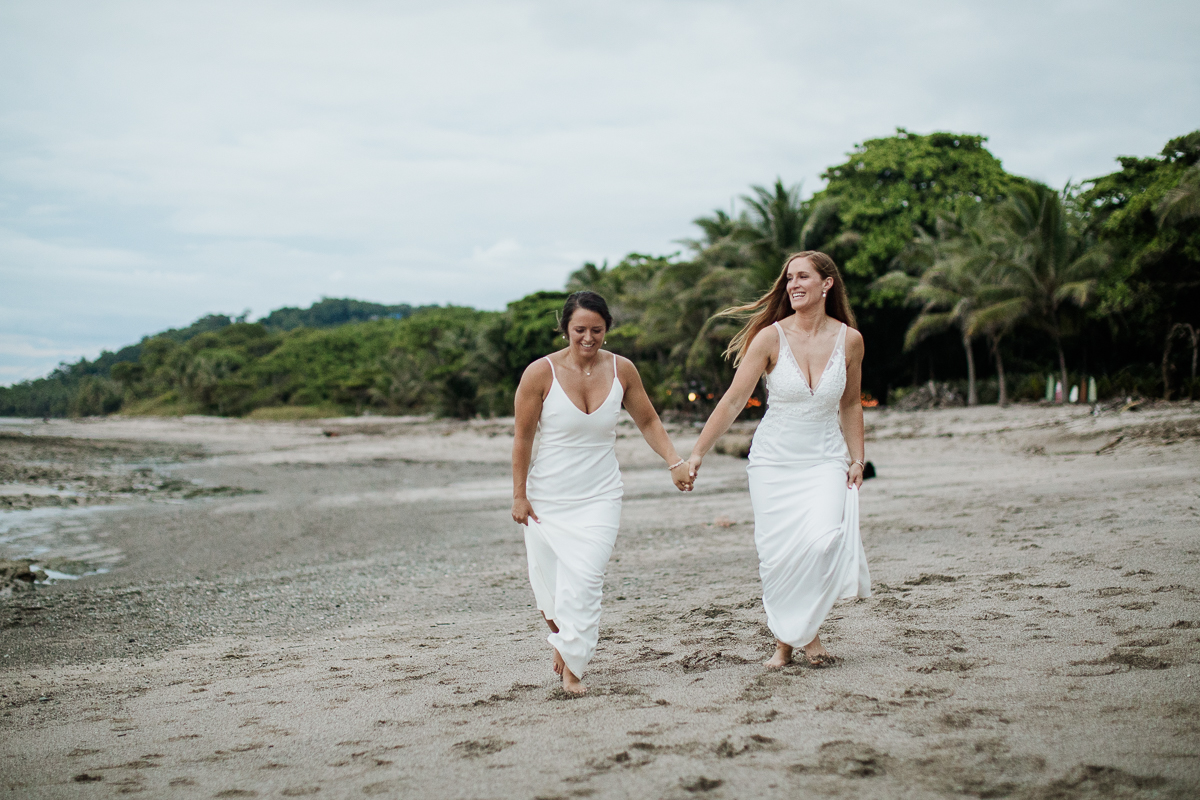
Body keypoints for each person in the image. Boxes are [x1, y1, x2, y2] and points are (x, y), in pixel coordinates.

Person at [686, 251, 871, 668]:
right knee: (779, 556)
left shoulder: (851, 340)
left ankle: (797, 635)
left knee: (822, 542)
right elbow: (734, 399)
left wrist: (858, 458)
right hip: (773, 463)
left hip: (825, 458)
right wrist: (698, 453)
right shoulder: (770, 337)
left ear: (827, 284)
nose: (793, 285)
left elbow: (851, 403)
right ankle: (795, 642)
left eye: (803, 276)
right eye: (789, 278)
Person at [511, 291, 694, 694]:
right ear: (565, 330)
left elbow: (648, 420)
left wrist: (674, 462)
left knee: (587, 576)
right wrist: (519, 495)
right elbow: (522, 438)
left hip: (600, 494)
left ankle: (573, 666)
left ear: (607, 330)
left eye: (597, 329)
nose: (588, 338)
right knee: (550, 582)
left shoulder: (622, 369)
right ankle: (564, 638)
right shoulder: (539, 374)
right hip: (548, 498)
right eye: (580, 330)